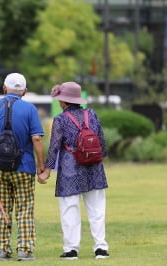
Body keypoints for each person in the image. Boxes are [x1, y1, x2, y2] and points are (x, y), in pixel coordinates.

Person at [0, 73, 46, 261]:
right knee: (25, 209)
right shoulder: (30, 109)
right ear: (24, 91)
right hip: (24, 168)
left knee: (1, 208)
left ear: (4, 88)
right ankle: (24, 250)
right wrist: (41, 165)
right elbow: (37, 138)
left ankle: (1, 250)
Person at [38, 81, 110, 260]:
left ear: (63, 101)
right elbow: (102, 143)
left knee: (70, 208)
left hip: (70, 168)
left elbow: (54, 147)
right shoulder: (91, 114)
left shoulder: (60, 120)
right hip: (94, 168)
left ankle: (71, 250)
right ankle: (100, 248)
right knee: (97, 209)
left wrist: (46, 171)